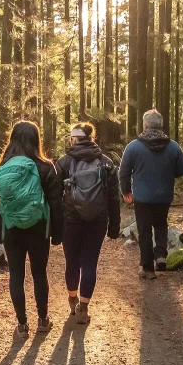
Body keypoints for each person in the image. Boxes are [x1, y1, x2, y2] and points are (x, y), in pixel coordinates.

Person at [0, 121, 64, 338]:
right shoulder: (46, 167)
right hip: (38, 228)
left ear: (12, 139)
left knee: (16, 276)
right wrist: (58, 233)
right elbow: (56, 203)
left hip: (11, 229)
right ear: (36, 140)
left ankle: (22, 325)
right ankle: (43, 320)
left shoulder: (3, 168)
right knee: (39, 273)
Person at [56, 123, 122, 324]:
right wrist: (114, 227)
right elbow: (113, 198)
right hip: (97, 220)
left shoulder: (64, 163)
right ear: (92, 138)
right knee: (90, 262)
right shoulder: (106, 162)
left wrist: (55, 226)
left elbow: (55, 196)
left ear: (74, 139)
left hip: (70, 220)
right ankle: (83, 308)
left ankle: (72, 298)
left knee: (72, 262)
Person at [119, 109, 183, 279]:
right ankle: (160, 256)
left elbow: (123, 172)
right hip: (164, 195)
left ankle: (147, 268)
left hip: (142, 197)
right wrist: (167, 173)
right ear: (160, 125)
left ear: (145, 125)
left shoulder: (133, 147)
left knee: (144, 230)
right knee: (160, 224)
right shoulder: (173, 146)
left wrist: (126, 191)